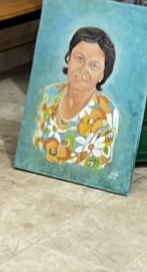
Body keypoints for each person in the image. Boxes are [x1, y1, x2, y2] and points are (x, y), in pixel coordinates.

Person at [32, 26, 120, 169]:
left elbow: (95, 169)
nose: (83, 69)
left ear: (102, 75)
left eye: (94, 65)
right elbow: (31, 148)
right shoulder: (46, 96)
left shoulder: (107, 114)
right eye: (79, 58)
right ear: (69, 59)